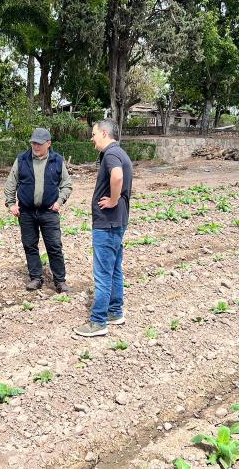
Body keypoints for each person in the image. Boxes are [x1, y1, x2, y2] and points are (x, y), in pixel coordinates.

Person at [74, 119, 133, 337]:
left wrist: (113, 200)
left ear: (105, 133)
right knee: (115, 268)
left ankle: (98, 321)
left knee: (103, 272)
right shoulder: (120, 152)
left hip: (107, 222)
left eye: (93, 134)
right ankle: (114, 312)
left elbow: (117, 176)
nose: (92, 138)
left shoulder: (111, 154)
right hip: (117, 221)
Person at [4, 127, 73, 292]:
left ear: (48, 144)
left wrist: (59, 201)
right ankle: (36, 278)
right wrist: (11, 203)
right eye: (33, 143)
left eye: (39, 144)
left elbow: (67, 185)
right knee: (30, 245)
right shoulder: (22, 160)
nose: (35, 146)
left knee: (54, 246)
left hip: (49, 211)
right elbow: (10, 183)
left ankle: (60, 281)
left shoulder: (57, 160)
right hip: (26, 212)